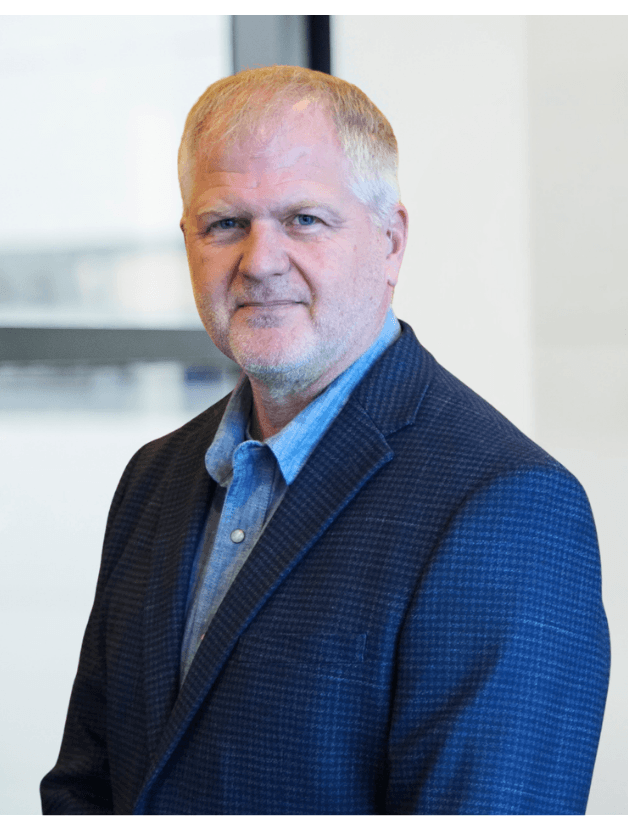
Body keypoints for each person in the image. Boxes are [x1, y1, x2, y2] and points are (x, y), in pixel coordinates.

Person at [41, 66, 610, 815]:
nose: (260, 260)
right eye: (224, 224)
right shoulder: (154, 477)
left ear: (390, 242)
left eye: (304, 219)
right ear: (187, 242)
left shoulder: (508, 509)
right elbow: (84, 790)